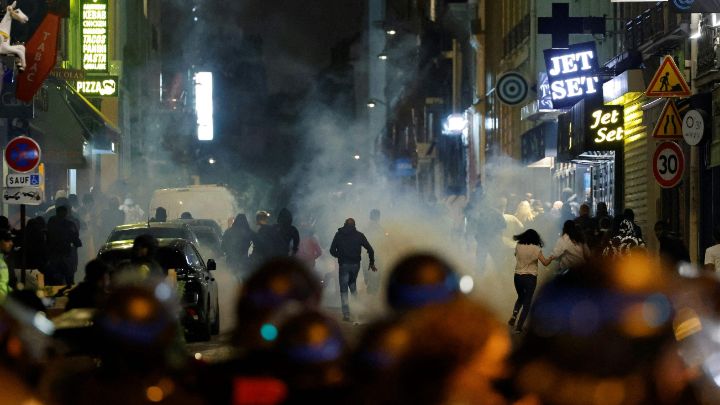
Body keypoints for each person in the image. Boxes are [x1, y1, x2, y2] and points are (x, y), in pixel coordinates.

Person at [330, 218, 376, 321]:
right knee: (352, 285)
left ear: (345, 224)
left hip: (344, 265)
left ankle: (346, 314)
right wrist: (371, 262)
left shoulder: (339, 234)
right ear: (354, 225)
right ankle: (356, 310)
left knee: (343, 290)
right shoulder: (359, 235)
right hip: (355, 265)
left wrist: (341, 256)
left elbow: (332, 250)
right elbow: (370, 249)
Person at [509, 229, 553, 334]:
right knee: (527, 302)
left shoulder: (518, 245)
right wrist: (551, 257)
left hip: (517, 276)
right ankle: (519, 327)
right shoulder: (536, 249)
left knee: (520, 297)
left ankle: (514, 315)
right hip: (530, 278)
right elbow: (545, 263)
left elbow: (516, 255)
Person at [46, 206, 82, 287]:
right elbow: (75, 237)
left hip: (54, 254)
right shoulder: (70, 224)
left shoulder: (51, 221)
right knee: (68, 274)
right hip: (64, 254)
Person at [362, 209, 385, 295]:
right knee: (376, 276)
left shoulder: (366, 228)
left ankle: (371, 293)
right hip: (375, 256)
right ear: (378, 217)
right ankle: (372, 294)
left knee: (369, 276)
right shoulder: (380, 229)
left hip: (368, 255)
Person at [0, 230, 14, 301]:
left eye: (11, 240)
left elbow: (4, 285)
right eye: (7, 240)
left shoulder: (5, 261)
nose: (11, 243)